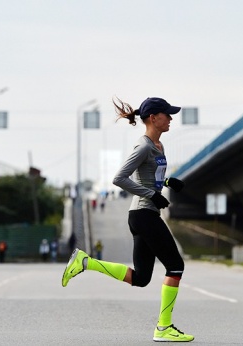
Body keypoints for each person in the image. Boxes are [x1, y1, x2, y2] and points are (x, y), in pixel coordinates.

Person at [62, 97, 194, 342]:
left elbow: (148, 176)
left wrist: (166, 183)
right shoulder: (143, 146)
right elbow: (119, 178)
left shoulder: (159, 146)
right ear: (153, 118)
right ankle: (163, 328)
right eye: (167, 114)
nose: (171, 118)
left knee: (142, 278)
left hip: (144, 214)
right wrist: (152, 195)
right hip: (143, 214)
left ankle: (86, 262)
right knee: (176, 266)